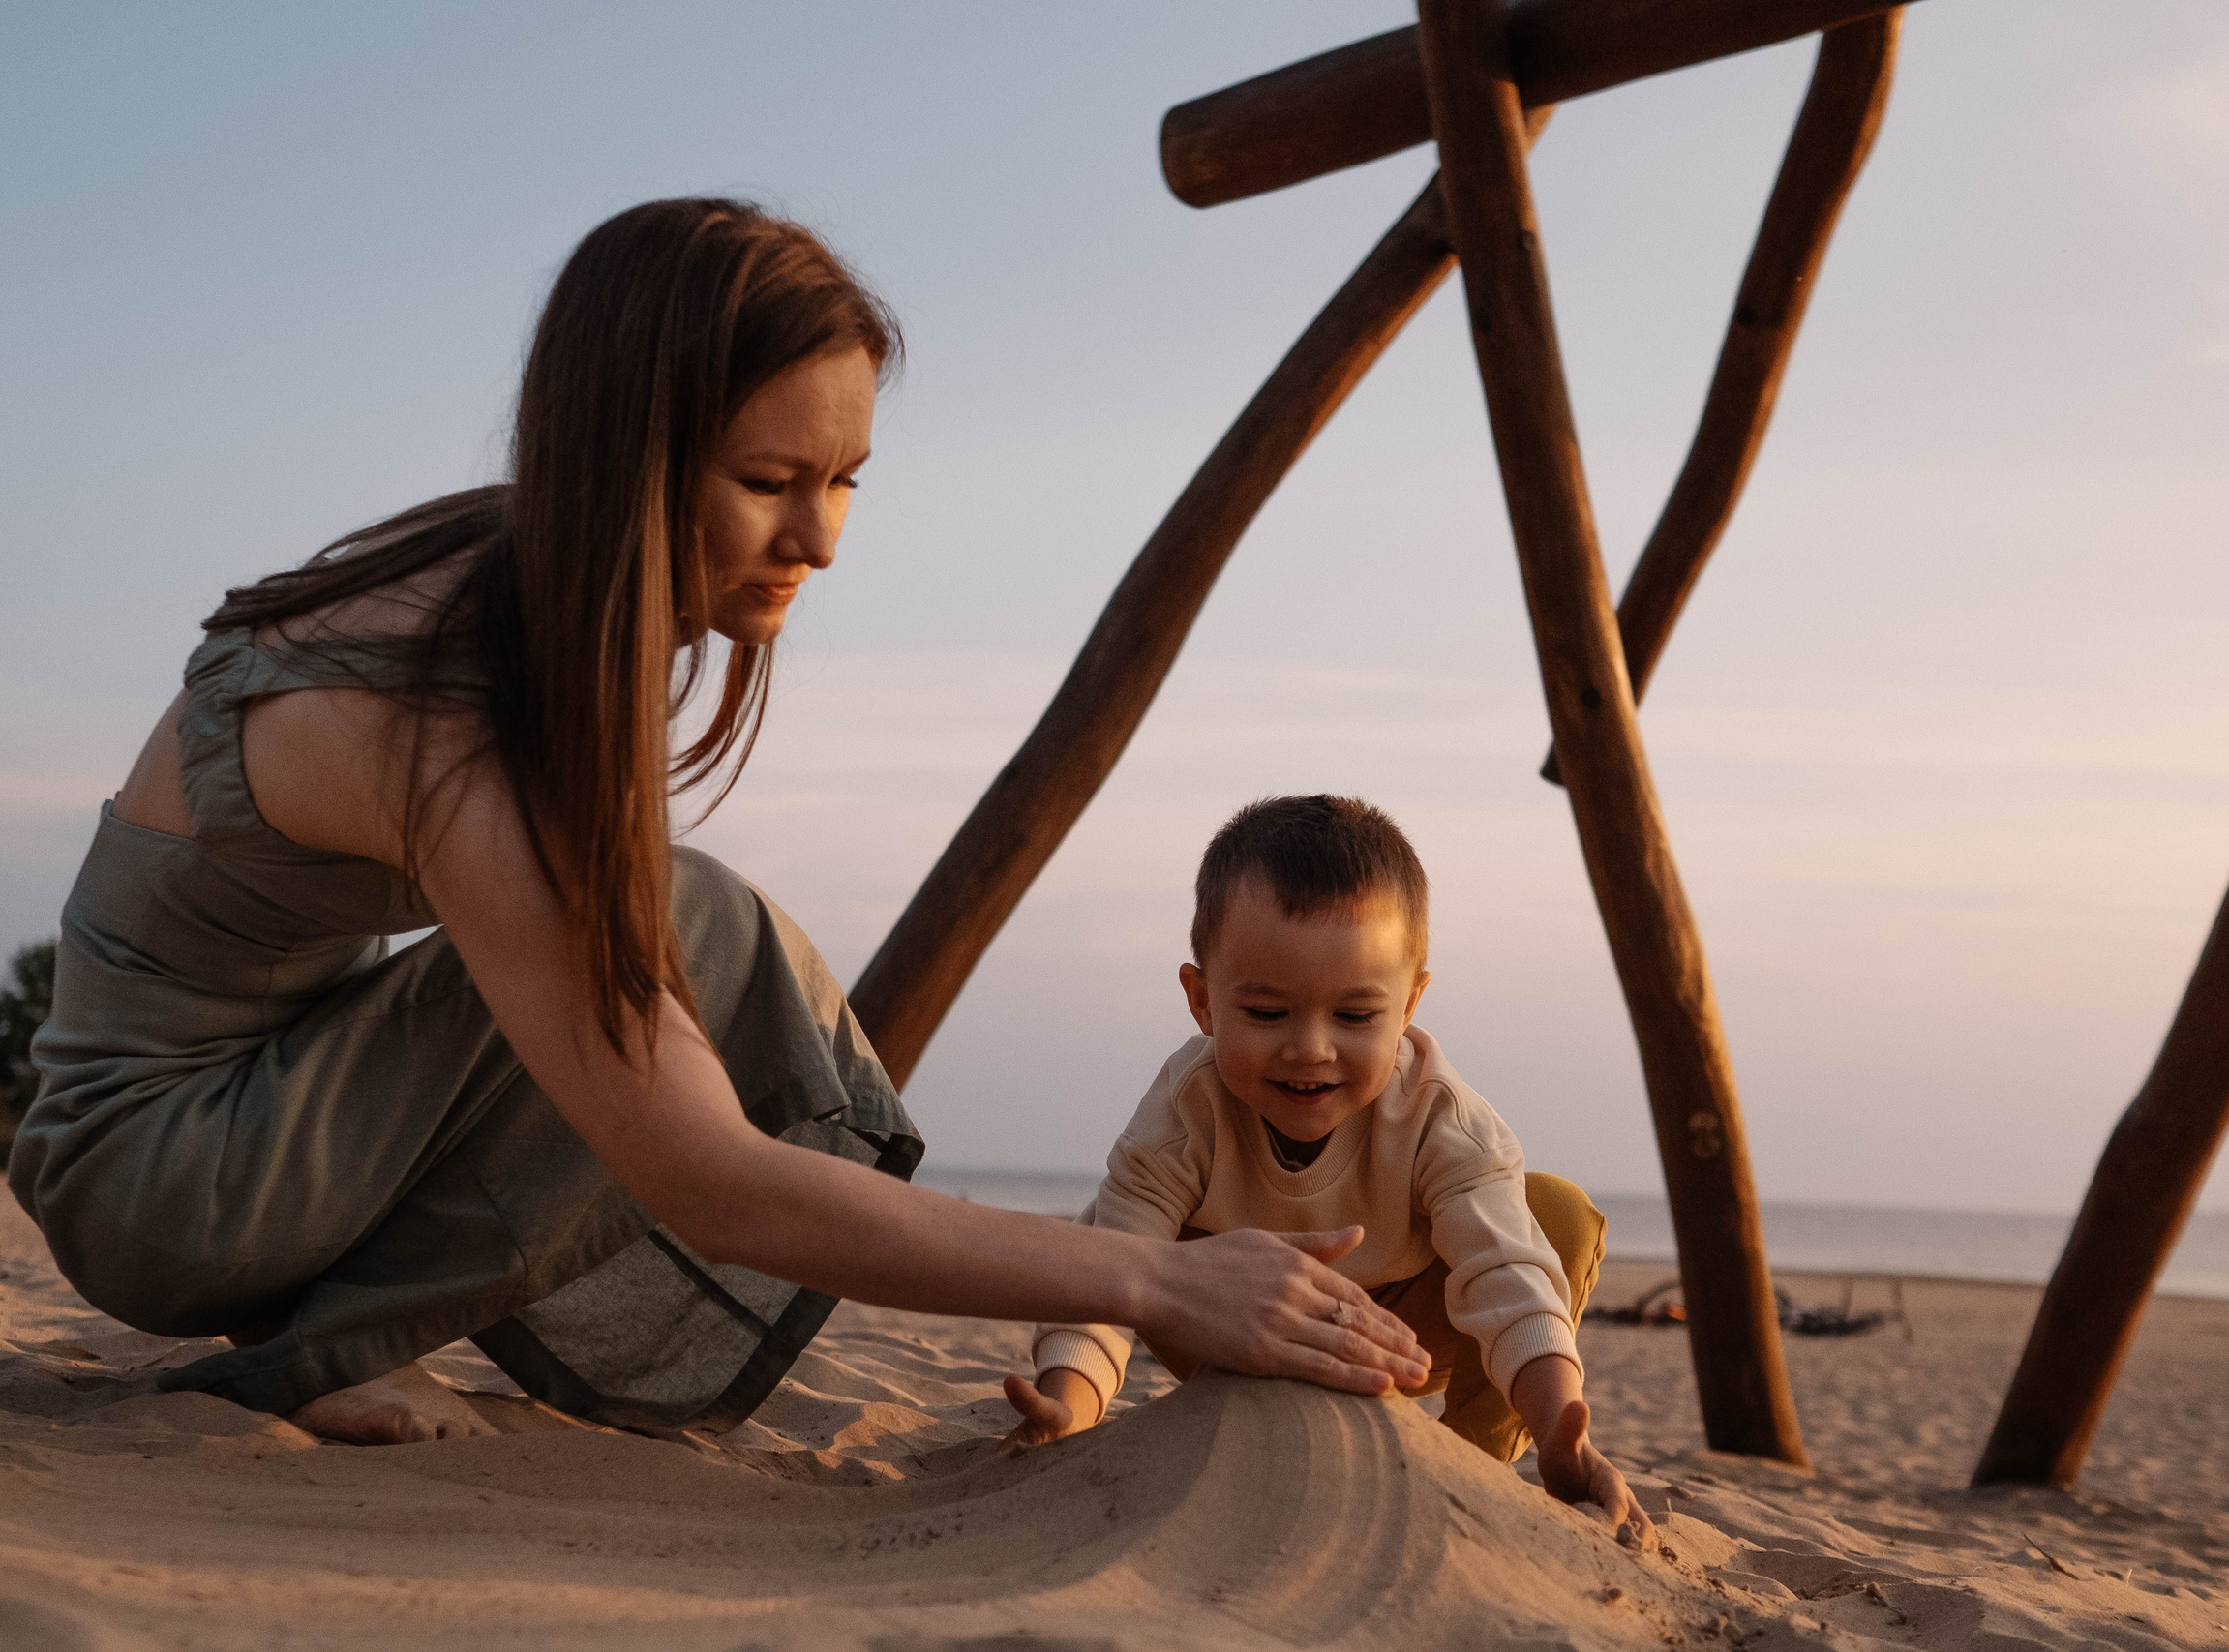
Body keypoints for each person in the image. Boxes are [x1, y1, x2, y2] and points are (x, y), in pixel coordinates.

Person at [6, 199, 1430, 1447]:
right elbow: (708, 1177)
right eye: (769, 482)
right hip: (157, 1173)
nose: (821, 540)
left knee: (671, 934)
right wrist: (1153, 1275)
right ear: (632, 454)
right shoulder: (435, 716)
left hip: (238, 1121)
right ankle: (316, 1354)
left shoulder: (541, 589)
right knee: (691, 933)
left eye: (847, 478)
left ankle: (331, 1339)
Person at [1001, 795, 1646, 1535]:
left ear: (1409, 1006)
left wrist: (1565, 1426)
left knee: (1554, 1213)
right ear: (1203, 1000)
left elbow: (1510, 1279)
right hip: (1234, 1324)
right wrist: (1068, 1405)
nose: (1310, 1047)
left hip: (1397, 1333)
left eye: (1354, 1015)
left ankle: (1469, 1466)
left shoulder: (1437, 1112)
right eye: (1268, 1013)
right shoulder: (1189, 1107)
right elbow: (1115, 1269)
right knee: (1127, 1234)